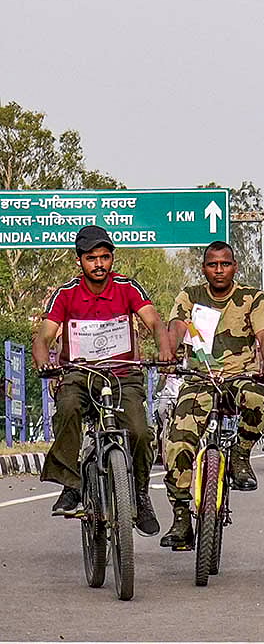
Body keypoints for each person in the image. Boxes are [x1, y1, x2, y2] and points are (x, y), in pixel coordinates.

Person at [33, 226, 173, 536]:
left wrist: (164, 350)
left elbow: (154, 322)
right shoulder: (65, 293)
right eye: (92, 258)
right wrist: (44, 363)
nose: (99, 264)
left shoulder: (128, 288)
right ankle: (71, 486)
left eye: (105, 257)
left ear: (112, 258)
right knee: (67, 408)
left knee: (138, 430)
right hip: (79, 376)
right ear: (80, 261)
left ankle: (139, 494)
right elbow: (43, 337)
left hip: (123, 375)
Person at [159, 241, 264, 549]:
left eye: (225, 264)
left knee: (256, 399)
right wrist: (168, 356)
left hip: (241, 376)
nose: (219, 270)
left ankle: (240, 456)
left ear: (235, 267)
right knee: (178, 439)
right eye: (213, 265)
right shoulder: (191, 296)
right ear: (204, 269)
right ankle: (181, 516)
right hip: (199, 378)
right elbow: (175, 325)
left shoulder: (251, 297)